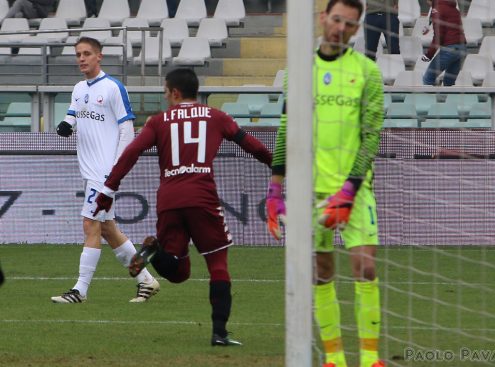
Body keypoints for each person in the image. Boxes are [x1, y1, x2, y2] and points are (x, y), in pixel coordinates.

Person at [93, 68, 272, 347]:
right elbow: (250, 144)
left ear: (175, 92)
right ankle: (219, 333)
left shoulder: (158, 121)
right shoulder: (216, 116)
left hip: (169, 201)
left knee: (179, 272)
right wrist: (276, 164)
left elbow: (131, 151)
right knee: (218, 265)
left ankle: (154, 253)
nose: (166, 98)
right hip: (203, 199)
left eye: (165, 93)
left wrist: (108, 188)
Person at [265, 1, 384, 366]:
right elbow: (287, 129)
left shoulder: (367, 72)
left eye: (350, 24)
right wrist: (275, 189)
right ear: (322, 19)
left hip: (354, 189)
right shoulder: (300, 72)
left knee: (365, 267)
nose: (341, 29)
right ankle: (334, 358)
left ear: (357, 28)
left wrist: (349, 189)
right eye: (336, 20)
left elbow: (371, 135)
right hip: (308, 192)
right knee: (320, 272)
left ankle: (370, 358)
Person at [51, 36, 160, 304]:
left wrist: (116, 169)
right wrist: (67, 124)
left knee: (89, 224)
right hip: (90, 171)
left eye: (87, 53)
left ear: (99, 56)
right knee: (108, 229)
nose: (82, 58)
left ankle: (80, 290)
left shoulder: (113, 88)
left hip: (104, 172)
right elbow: (74, 113)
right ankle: (146, 281)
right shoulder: (78, 88)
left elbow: (127, 129)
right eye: (78, 54)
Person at [421, 0, 466, 86]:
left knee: (428, 79)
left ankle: (430, 99)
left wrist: (429, 55)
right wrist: (428, 24)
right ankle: (450, 99)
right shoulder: (453, 8)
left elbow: (438, 36)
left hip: (450, 50)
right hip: (462, 48)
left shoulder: (437, 9)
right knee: (449, 83)